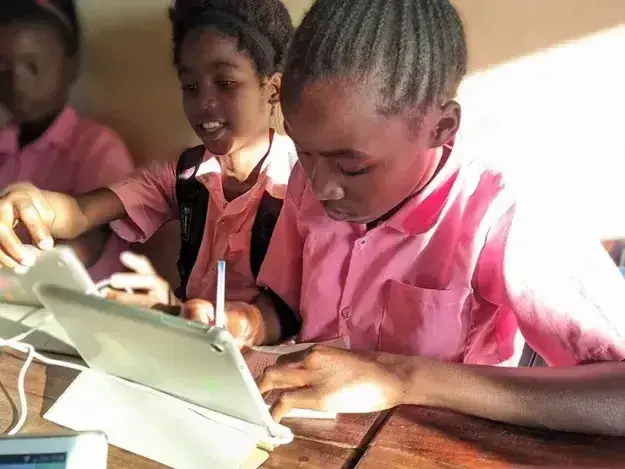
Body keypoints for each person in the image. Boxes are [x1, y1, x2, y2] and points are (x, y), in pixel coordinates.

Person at [188, 0, 625, 436]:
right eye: (304, 151)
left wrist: (398, 377)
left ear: (441, 127)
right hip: (307, 435)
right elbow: (286, 304)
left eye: (353, 167)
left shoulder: (501, 214)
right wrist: (245, 321)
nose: (321, 188)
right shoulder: (309, 179)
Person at [0, 0, 297, 311]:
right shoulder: (183, 174)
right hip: (195, 351)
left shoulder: (303, 188)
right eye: (190, 86)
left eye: (225, 83)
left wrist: (180, 312)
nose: (204, 102)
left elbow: (299, 317)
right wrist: (33, 202)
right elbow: (80, 212)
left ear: (273, 89)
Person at [0, 0, 134, 281]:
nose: (17, 82)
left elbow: (88, 245)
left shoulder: (97, 148)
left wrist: (19, 267)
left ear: (70, 65)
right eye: (3, 68)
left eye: (33, 65)